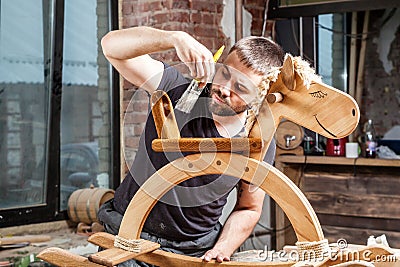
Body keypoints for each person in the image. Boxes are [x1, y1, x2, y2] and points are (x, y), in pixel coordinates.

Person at [98, 26, 285, 266]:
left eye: (241, 87)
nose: (225, 90)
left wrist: (222, 248)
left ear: (261, 95)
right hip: (126, 233)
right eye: (225, 73)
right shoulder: (178, 89)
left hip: (194, 251)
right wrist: (173, 38)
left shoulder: (257, 140)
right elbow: (111, 47)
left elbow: (249, 208)